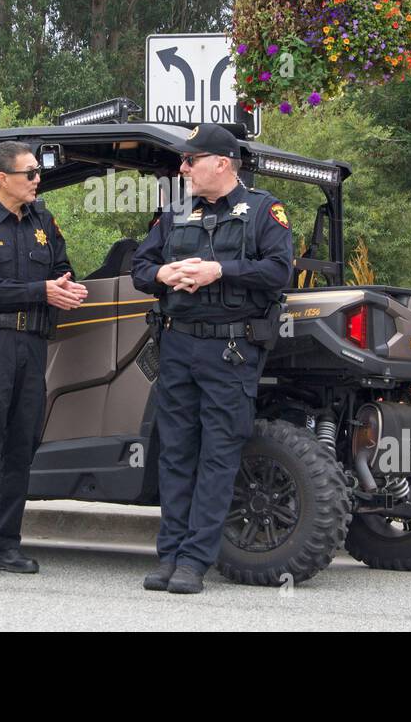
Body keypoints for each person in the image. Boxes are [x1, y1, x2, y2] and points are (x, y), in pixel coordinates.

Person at [131, 123, 294, 594]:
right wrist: (162, 272)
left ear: (221, 163)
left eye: (190, 160)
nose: (182, 168)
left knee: (218, 455)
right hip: (177, 344)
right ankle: (169, 555)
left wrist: (218, 271)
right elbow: (141, 269)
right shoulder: (174, 210)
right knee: (176, 454)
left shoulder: (265, 210)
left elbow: (278, 271)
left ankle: (194, 561)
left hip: (230, 349)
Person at [0, 141, 87, 577]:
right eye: (28, 173)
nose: (36, 179)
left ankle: (8, 544)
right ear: (3, 179)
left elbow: (61, 266)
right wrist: (41, 291)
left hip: (32, 346)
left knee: (20, 448)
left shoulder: (44, 220)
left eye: (36, 172)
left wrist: (63, 287)